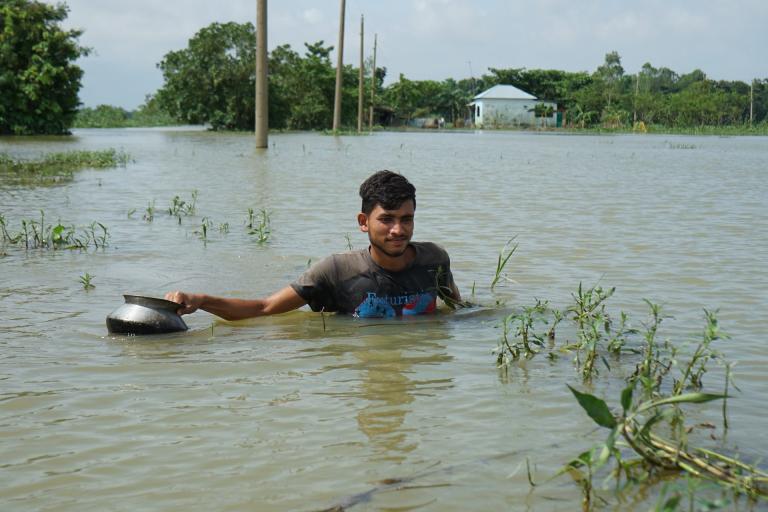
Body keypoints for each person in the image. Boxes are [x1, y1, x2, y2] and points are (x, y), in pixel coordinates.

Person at [165, 170, 462, 319]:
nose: (398, 230)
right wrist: (201, 300)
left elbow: (458, 309)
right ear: (363, 222)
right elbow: (265, 308)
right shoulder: (336, 271)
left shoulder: (433, 260)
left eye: (406, 219)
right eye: (386, 219)